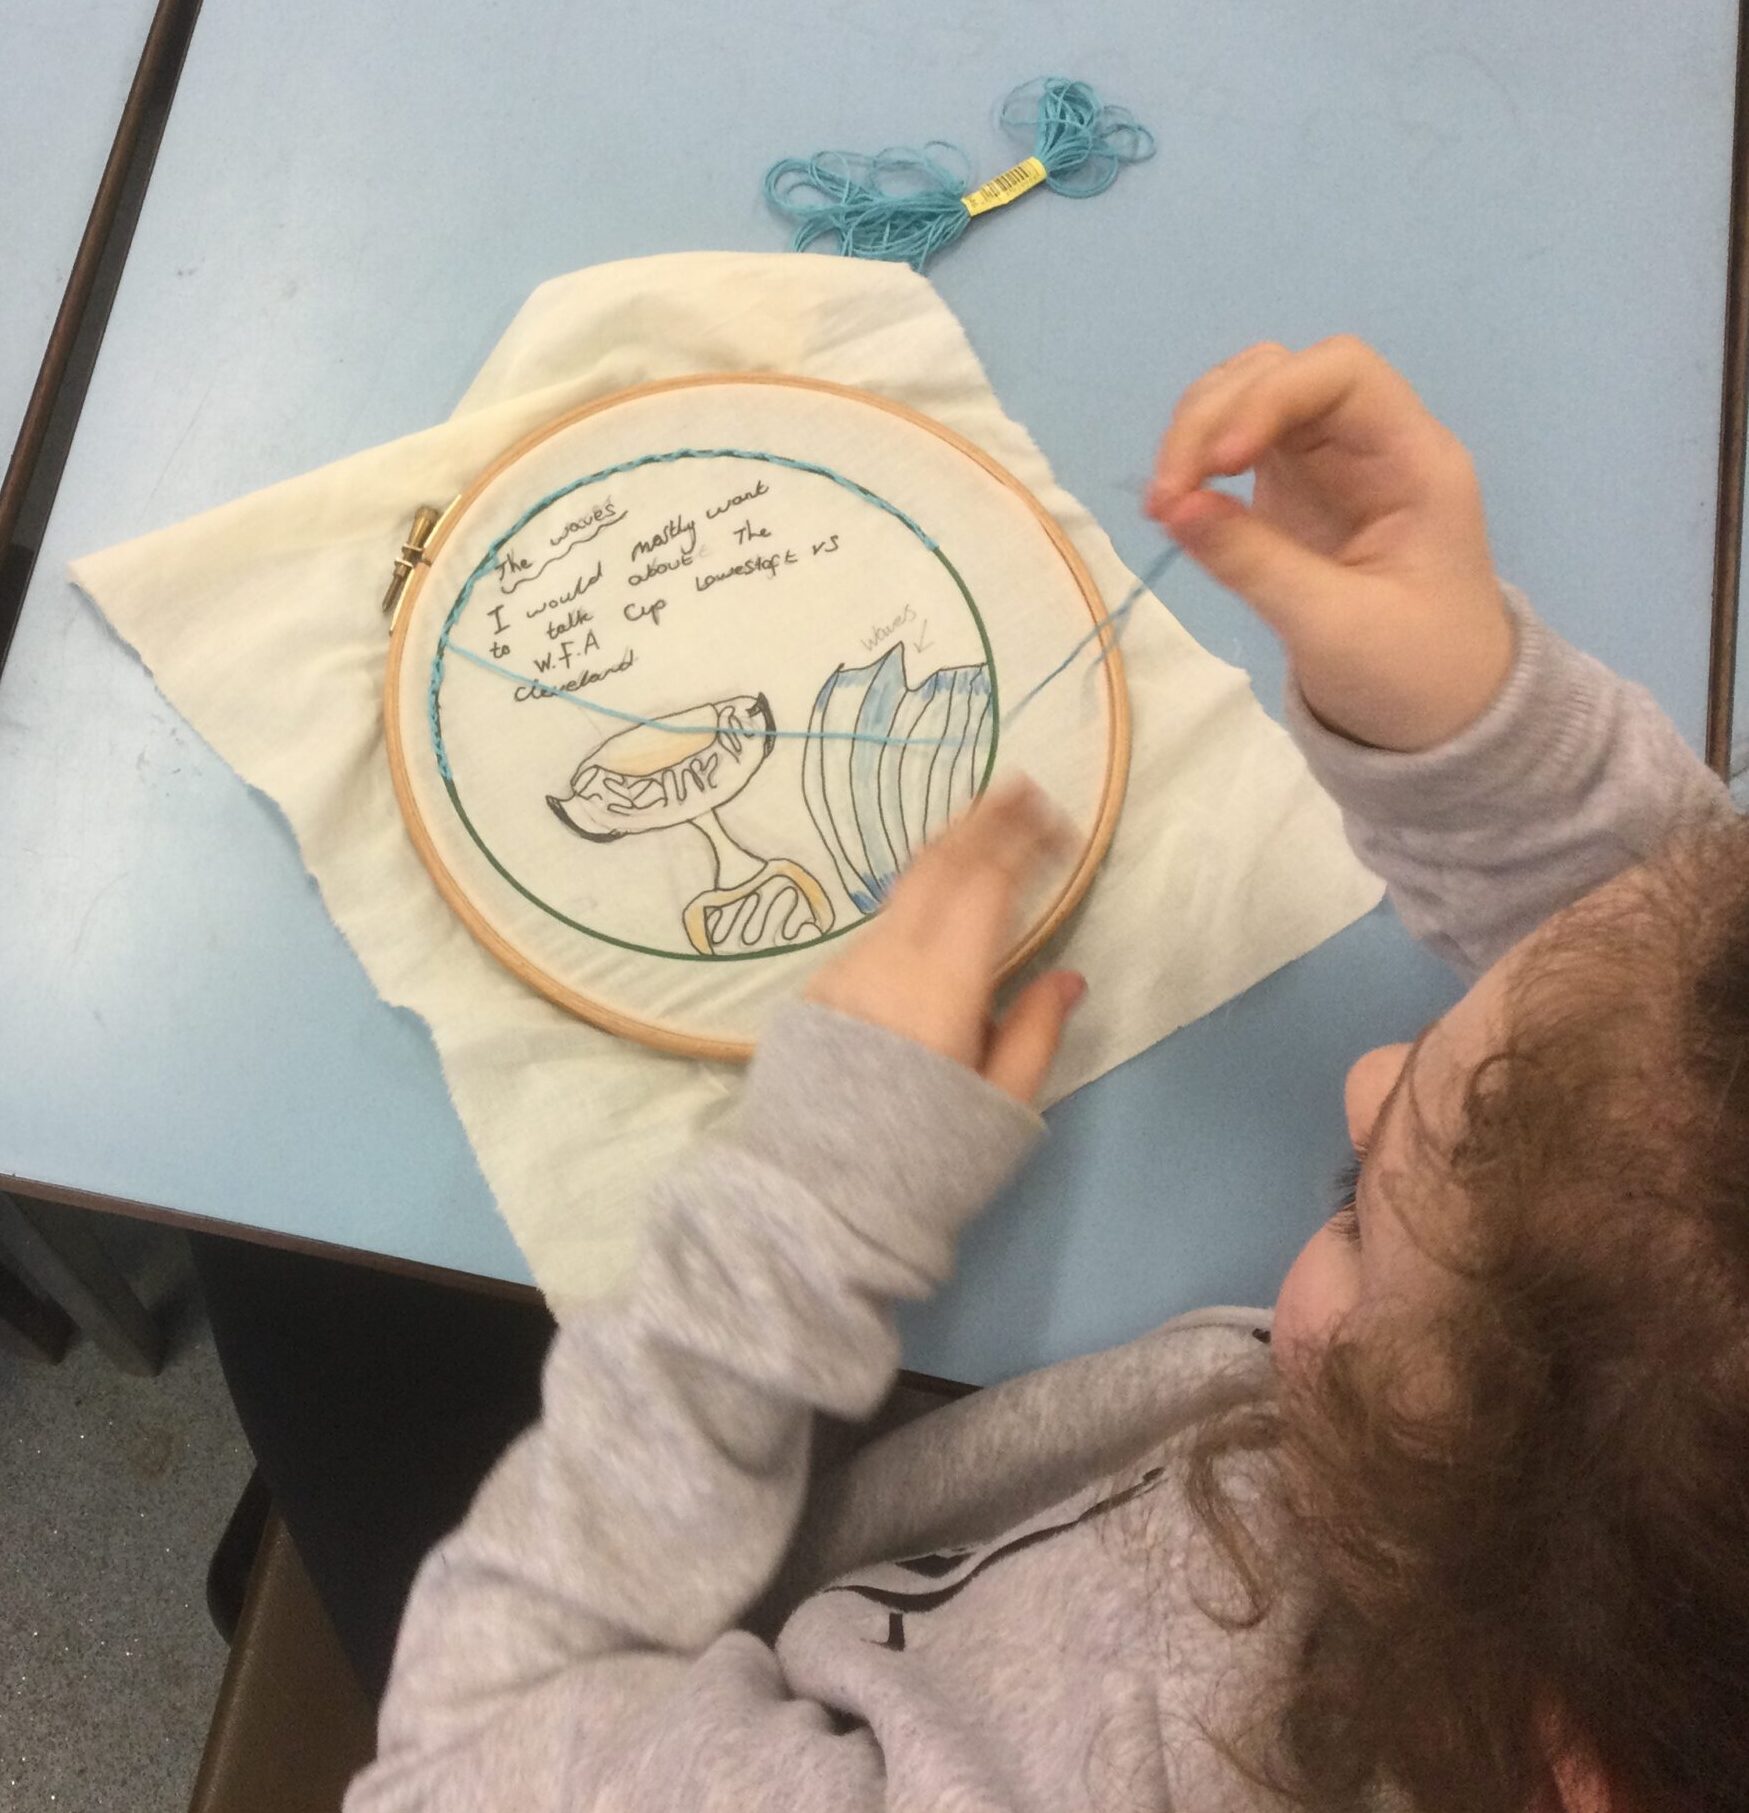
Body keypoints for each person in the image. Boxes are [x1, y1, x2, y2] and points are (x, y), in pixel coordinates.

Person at [342, 338, 1748, 1813]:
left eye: (1360, 1197)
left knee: (332, 1315)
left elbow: (456, 1760)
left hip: (645, 1647)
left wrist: (808, 1206)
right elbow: (1653, 1104)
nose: (1370, 1076)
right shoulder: (1636, 1557)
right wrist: (1481, 741)